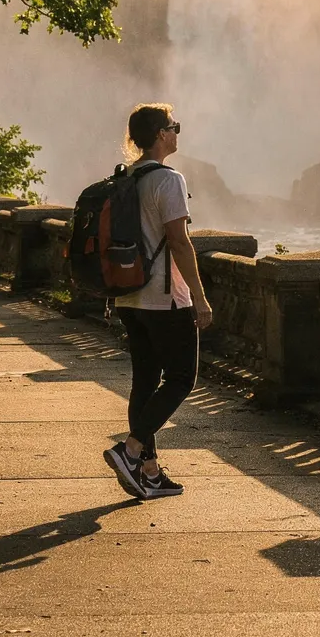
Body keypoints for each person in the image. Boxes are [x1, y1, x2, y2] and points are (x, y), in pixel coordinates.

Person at [101, 103, 213, 500]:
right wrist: (199, 298)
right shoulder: (168, 179)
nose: (177, 132)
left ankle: (148, 472)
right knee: (183, 378)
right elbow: (180, 242)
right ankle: (130, 450)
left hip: (129, 295)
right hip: (165, 297)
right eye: (173, 126)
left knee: (145, 382)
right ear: (161, 135)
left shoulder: (127, 176)